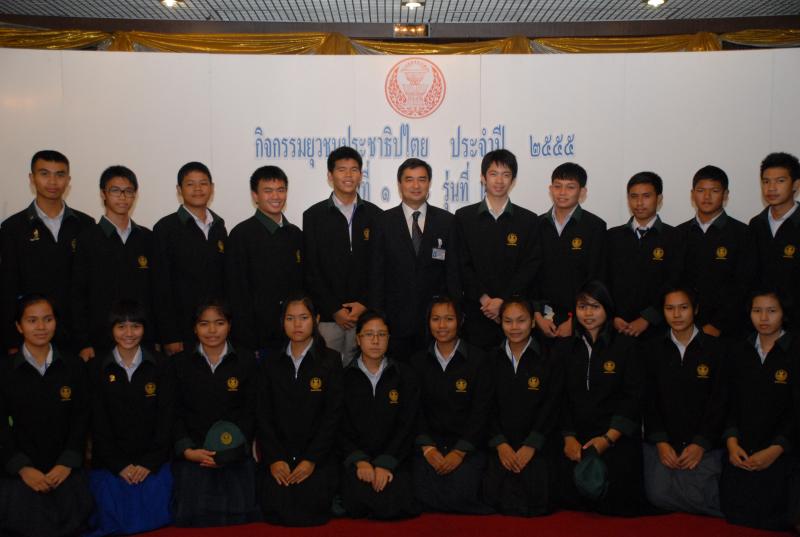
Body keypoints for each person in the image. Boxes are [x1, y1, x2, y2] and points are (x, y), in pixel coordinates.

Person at [0, 294, 93, 537]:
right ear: (19, 326)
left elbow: (81, 418)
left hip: (64, 467)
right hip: (19, 469)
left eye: (48, 319)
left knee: (73, 521)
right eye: (32, 320)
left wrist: (67, 462)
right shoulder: (5, 370)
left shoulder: (74, 366)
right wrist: (21, 468)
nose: (41, 327)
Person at [553, 281, 647, 516]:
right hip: (576, 436)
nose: (588, 313)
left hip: (614, 435)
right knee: (560, 494)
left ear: (607, 308)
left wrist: (608, 439)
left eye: (595, 306)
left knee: (617, 498)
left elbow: (633, 398)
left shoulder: (626, 346)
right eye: (582, 307)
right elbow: (559, 398)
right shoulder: (564, 348)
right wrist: (568, 438)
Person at [85, 299, 173, 537]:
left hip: (152, 462)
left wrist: (149, 463)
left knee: (156, 520)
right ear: (111, 329)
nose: (129, 333)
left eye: (135, 326)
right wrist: (119, 465)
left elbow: (166, 418)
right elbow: (97, 422)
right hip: (111, 464)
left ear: (144, 329)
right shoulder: (96, 367)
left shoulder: (161, 364)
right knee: (114, 521)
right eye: (121, 326)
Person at [169, 300, 260, 527]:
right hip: (195, 452)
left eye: (219, 323)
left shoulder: (246, 360)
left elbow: (251, 411)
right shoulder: (179, 363)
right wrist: (187, 450)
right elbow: (173, 412)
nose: (212, 330)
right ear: (194, 328)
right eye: (204, 324)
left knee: (241, 517)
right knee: (192, 517)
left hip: (234, 452)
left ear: (229, 325)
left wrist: (232, 452)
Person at [257, 294, 343, 526]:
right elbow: (263, 414)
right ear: (282, 322)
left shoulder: (331, 360)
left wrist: (311, 460)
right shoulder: (270, 362)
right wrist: (275, 459)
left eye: (304, 318)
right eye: (290, 318)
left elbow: (333, 416)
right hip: (280, 455)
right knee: (275, 509)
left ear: (316, 320)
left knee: (312, 510)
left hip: (316, 456)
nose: (297, 324)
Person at [642, 287, 727, 516]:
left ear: (695, 310)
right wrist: (660, 442)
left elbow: (720, 402)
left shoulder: (716, 350)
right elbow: (648, 401)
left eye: (683, 308)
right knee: (657, 495)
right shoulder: (652, 350)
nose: (676, 314)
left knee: (703, 495)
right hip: (664, 443)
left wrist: (701, 443)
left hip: (703, 443)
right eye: (669, 308)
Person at [0, 150, 94, 354]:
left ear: (68, 180)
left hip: (76, 336)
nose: (53, 181)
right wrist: (11, 341)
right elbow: (7, 288)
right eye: (44, 174)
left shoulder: (85, 225)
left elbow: (91, 285)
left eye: (60, 174)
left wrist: (87, 339)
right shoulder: (12, 228)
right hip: (30, 336)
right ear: (31, 178)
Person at [409, 295, 494, 514]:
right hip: (431, 446)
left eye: (449, 319)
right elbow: (414, 411)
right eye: (435, 319)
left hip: (466, 445)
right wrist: (428, 448)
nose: (442, 326)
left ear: (460, 321)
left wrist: (460, 451)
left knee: (462, 491)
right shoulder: (417, 362)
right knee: (418, 490)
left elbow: (481, 411)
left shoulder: (478, 360)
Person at [720, 290, 796, 530]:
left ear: (783, 314)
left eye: (771, 311)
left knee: (778, 517)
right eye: (757, 311)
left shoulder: (795, 351)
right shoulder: (738, 351)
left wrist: (776, 449)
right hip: (742, 448)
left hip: (785, 448)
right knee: (736, 516)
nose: (763, 318)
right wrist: (732, 443)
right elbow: (728, 402)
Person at [452, 149, 541, 350]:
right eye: (493, 174)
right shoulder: (464, 217)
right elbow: (461, 264)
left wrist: (503, 301)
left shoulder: (528, 220)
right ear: (483, 178)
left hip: (516, 315)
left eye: (506, 174)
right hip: (476, 311)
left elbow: (530, 266)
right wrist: (484, 299)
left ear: (513, 180)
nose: (499, 181)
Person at [369, 158, 457, 359]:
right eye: (409, 179)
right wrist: (378, 317)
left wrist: (453, 315)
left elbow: (452, 274)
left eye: (422, 179)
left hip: (436, 324)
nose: (416, 186)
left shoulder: (447, 221)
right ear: (399, 184)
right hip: (394, 322)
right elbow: (376, 275)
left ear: (429, 183)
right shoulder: (382, 222)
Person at [484, 296, 563, 516]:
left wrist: (532, 444)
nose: (514, 327)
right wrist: (500, 444)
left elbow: (552, 405)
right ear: (500, 323)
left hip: (538, 443)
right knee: (493, 497)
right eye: (508, 321)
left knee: (537, 498)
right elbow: (485, 407)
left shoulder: (550, 358)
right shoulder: (490, 359)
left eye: (521, 320)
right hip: (502, 445)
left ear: (533, 322)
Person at [303, 146, 382, 364]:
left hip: (365, 317)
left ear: (361, 175)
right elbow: (311, 269)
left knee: (360, 374)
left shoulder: (376, 215)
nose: (348, 175)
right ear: (330, 176)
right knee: (328, 372)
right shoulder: (313, 216)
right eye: (341, 169)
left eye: (354, 169)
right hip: (329, 319)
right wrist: (334, 309)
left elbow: (379, 267)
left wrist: (365, 303)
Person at [340, 309, 420, 519]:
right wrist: (360, 460)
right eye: (369, 334)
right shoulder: (344, 378)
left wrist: (386, 462)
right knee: (356, 498)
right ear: (358, 339)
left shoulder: (404, 375)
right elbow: (340, 426)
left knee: (395, 502)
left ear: (389, 339)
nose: (375, 340)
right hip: (359, 460)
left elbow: (408, 425)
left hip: (394, 457)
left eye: (381, 334)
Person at [71, 165, 155, 360]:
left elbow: (156, 291)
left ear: (135, 195)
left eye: (128, 191)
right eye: (115, 190)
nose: (122, 197)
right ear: (103, 194)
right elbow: (78, 294)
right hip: (99, 339)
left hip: (142, 339)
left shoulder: (147, 238)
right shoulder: (87, 239)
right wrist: (83, 341)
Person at [152, 161, 227, 356]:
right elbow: (160, 286)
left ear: (212, 187)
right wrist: (169, 334)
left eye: (203, 183)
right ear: (179, 190)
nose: (198, 189)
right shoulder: (165, 228)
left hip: (216, 330)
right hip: (181, 331)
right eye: (190, 184)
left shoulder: (219, 227)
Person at [226, 165, 302, 357]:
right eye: (268, 191)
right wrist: (248, 339)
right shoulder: (241, 235)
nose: (275, 196)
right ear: (255, 196)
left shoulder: (295, 234)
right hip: (256, 338)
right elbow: (237, 292)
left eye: (281, 190)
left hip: (293, 335)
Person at [678, 166, 754, 338]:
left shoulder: (742, 233)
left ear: (725, 195)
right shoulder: (679, 234)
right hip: (686, 327)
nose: (707, 197)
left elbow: (744, 285)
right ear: (692, 194)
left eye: (714, 191)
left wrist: (718, 324)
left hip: (730, 328)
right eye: (701, 191)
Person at [606, 172, 684, 340]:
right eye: (634, 196)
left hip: (659, 329)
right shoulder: (612, 236)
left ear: (659, 198)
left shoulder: (674, 237)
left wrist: (648, 318)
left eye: (646, 196)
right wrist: (613, 316)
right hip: (618, 326)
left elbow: (675, 282)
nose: (639, 203)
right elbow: (604, 279)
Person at [534, 162, 606, 340]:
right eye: (557, 186)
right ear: (550, 189)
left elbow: (596, 277)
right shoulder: (537, 224)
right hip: (542, 318)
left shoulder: (594, 226)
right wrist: (537, 315)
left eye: (570, 187)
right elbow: (531, 273)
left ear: (582, 192)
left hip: (579, 319)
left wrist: (574, 321)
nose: (562, 192)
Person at [749, 152, 800, 327]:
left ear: (796, 184)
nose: (771, 188)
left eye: (780, 181)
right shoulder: (756, 224)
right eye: (766, 181)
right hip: (761, 322)